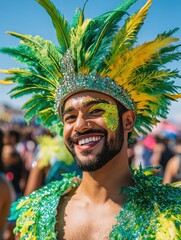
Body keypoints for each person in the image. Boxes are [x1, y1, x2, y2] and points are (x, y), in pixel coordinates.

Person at [1, 0, 181, 239]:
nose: (80, 125)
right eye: (70, 117)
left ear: (127, 121)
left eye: (96, 111)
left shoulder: (171, 215)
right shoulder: (34, 214)